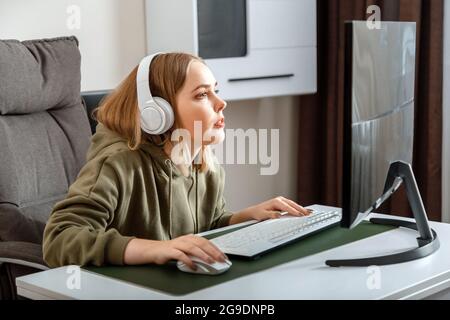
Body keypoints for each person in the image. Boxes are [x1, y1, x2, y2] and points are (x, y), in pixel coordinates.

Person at [42, 52, 310, 270]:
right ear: (158, 112)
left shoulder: (204, 162)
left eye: (216, 91)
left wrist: (244, 218)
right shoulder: (118, 165)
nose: (221, 103)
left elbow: (203, 227)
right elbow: (59, 238)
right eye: (202, 95)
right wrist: (154, 249)